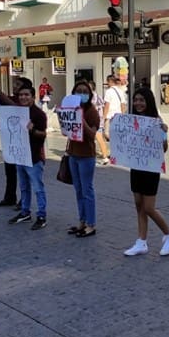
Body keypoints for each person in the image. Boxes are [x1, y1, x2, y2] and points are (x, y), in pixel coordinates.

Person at [122, 87, 169, 257]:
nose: (138, 103)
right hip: (136, 166)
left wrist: (163, 134)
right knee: (139, 205)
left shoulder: (156, 121)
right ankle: (141, 241)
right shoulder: (132, 120)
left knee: (149, 207)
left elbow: (164, 149)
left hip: (151, 168)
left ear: (149, 102)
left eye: (142, 100)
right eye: (136, 99)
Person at [0, 84, 48, 230]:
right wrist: (2, 124)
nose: (23, 97)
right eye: (21, 95)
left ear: (33, 97)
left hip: (34, 157)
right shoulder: (16, 111)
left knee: (38, 188)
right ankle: (25, 212)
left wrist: (33, 130)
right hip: (20, 155)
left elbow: (43, 134)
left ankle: (41, 216)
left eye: (26, 95)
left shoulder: (39, 114)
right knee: (23, 187)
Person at [66, 81, 101, 238]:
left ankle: (91, 224)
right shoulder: (71, 109)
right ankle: (82, 221)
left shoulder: (92, 112)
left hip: (86, 155)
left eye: (84, 91)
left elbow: (93, 135)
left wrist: (81, 119)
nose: (81, 93)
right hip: (73, 153)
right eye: (78, 91)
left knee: (87, 191)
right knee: (78, 190)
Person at [0, 77, 33, 208]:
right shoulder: (9, 98)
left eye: (18, 85)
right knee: (10, 172)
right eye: (14, 84)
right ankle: (9, 196)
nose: (15, 86)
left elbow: (16, 109)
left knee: (23, 175)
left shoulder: (26, 103)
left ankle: (24, 200)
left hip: (24, 145)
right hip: (11, 144)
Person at [89, 80, 110, 166]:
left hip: (95, 121)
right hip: (97, 120)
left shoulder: (92, 96)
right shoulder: (97, 95)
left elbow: (92, 107)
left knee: (99, 138)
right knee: (93, 139)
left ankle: (105, 157)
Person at [103, 74, 126, 142]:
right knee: (116, 133)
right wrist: (122, 115)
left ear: (110, 81)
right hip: (118, 116)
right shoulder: (120, 91)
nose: (107, 83)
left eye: (107, 81)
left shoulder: (108, 92)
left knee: (107, 134)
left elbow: (107, 105)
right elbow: (123, 104)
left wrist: (104, 117)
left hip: (110, 116)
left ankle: (111, 148)